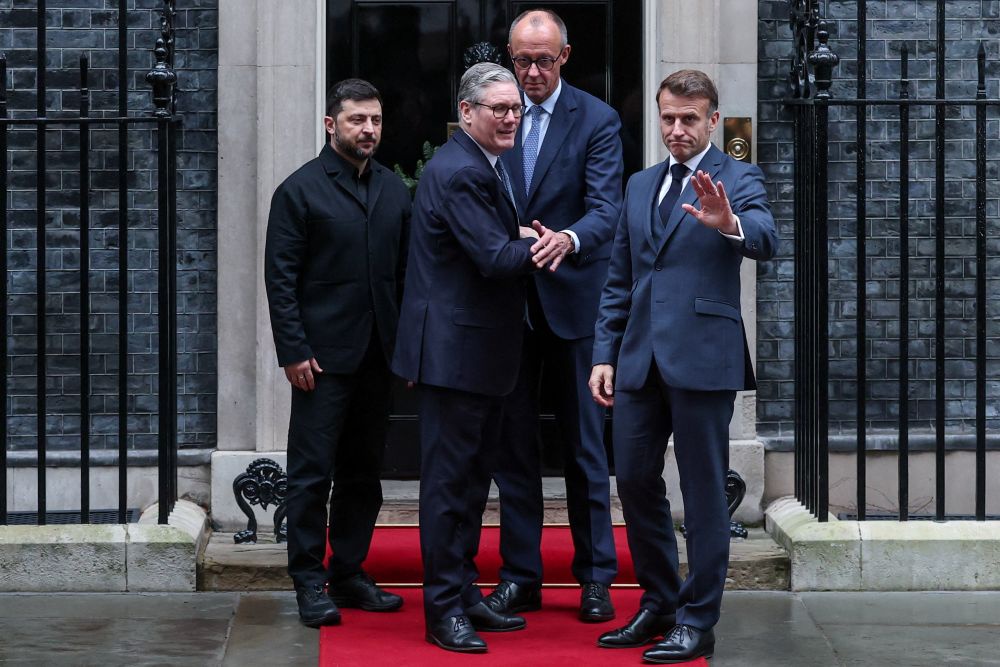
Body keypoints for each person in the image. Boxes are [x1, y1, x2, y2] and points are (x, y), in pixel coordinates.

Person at [589, 70, 777, 663]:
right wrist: (604, 354)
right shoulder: (640, 184)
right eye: (668, 117)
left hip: (703, 358)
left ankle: (698, 620)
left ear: (712, 120)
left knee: (702, 493)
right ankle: (659, 603)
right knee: (633, 480)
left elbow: (767, 237)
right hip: (639, 359)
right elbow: (619, 277)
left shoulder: (737, 177)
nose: (676, 129)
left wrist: (730, 224)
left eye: (689, 118)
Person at [392, 62, 555, 654]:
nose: (511, 118)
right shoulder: (462, 170)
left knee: (469, 485)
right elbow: (491, 257)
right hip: (456, 356)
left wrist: (518, 238)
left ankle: (462, 594)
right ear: (466, 113)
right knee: (448, 487)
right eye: (499, 109)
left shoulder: (480, 162)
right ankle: (443, 610)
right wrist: (544, 244)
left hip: (478, 355)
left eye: (516, 109)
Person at [486, 8, 624, 624]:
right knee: (512, 450)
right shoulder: (493, 113)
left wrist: (568, 238)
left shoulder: (597, 119)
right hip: (507, 306)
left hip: (574, 303)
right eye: (522, 60)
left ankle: (595, 577)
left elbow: (607, 209)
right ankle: (520, 576)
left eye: (543, 60)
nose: (532, 72)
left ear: (564, 57)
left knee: (585, 449)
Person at [264, 78, 410, 628]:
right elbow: (280, 279)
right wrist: (293, 350)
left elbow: (405, 276)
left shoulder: (394, 190)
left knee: (362, 473)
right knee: (310, 475)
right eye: (357, 120)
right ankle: (308, 580)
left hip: (378, 357)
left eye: (375, 120)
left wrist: (407, 351)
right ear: (331, 124)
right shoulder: (298, 191)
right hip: (319, 362)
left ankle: (349, 572)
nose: (368, 129)